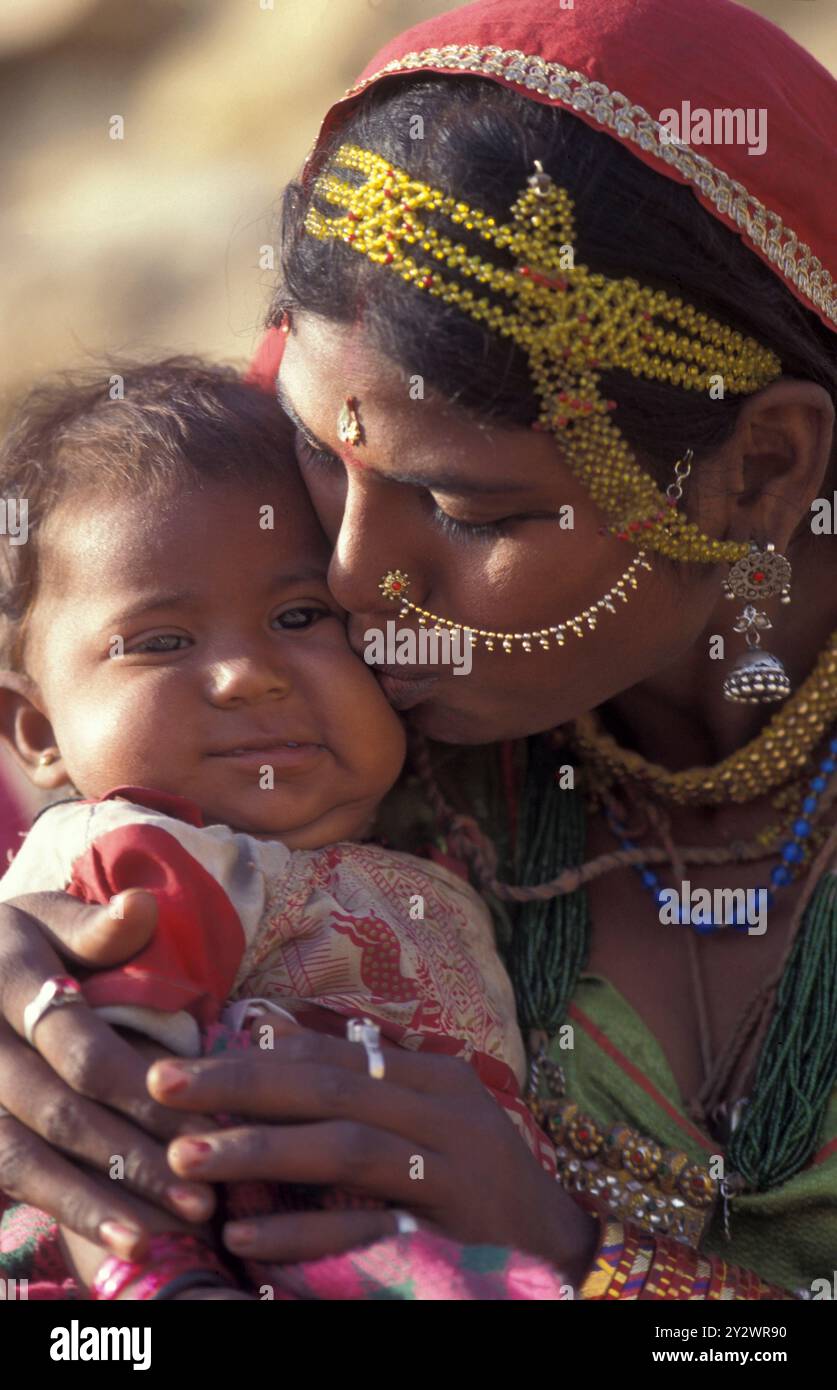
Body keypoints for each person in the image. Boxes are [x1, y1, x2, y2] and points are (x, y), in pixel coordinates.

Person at [0, 0, 834, 1301]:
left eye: (468, 510)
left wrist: (580, 1259)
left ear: (762, 471)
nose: (347, 578)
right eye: (325, 463)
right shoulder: (278, 663)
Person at [0, 358, 556, 1299]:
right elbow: (108, 1111)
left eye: (301, 615)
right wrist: (164, 1281)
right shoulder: (134, 858)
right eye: (163, 642)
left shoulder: (440, 844)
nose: (246, 677)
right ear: (41, 733)